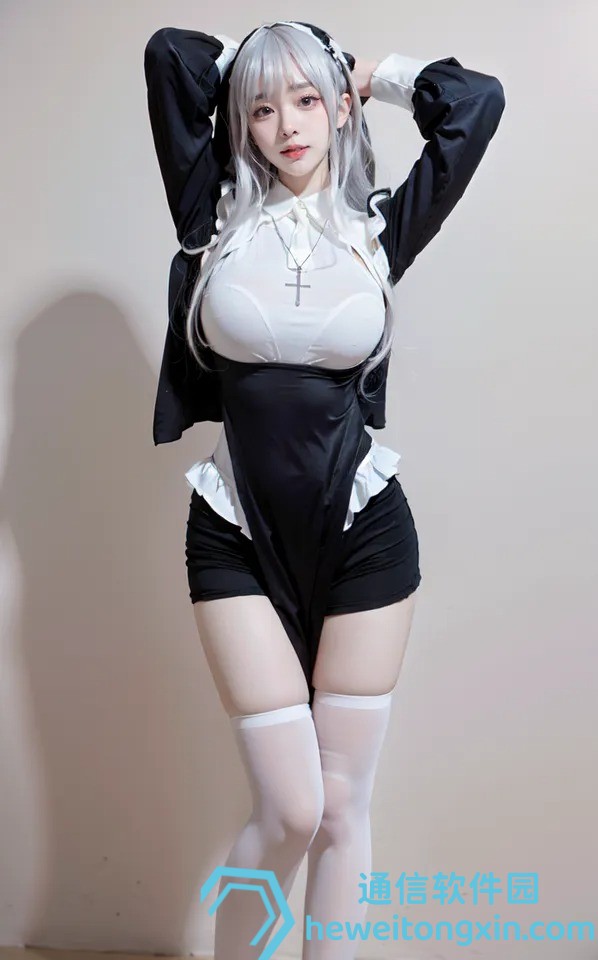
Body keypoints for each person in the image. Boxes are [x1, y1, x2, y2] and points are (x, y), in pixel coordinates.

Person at [144, 20, 505, 959]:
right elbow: (170, 55)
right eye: (264, 108)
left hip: (363, 533)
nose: (288, 125)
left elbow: (477, 104)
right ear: (242, 120)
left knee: (341, 807)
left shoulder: (380, 228)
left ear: (340, 108)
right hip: (234, 530)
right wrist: (260, 58)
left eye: (308, 101)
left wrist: (366, 72)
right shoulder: (212, 215)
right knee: (291, 809)